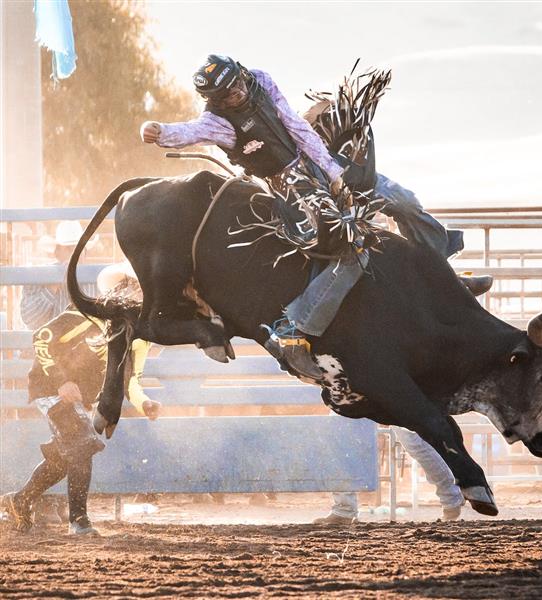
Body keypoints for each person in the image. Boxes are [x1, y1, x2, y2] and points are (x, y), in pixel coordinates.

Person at [140, 55, 491, 380]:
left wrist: (332, 169)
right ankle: (295, 327)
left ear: (243, 75)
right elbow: (187, 132)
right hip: (290, 190)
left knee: (405, 201)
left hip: (319, 162)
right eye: (228, 95)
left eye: (238, 85)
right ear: (215, 101)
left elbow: (295, 125)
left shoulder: (261, 80)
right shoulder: (217, 123)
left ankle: (441, 275)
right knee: (351, 251)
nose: (237, 94)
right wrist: (160, 132)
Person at [1, 263, 161, 535]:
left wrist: (144, 402)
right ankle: (79, 520)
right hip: (51, 388)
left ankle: (21, 499)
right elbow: (42, 337)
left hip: (72, 397)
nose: (131, 291)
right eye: (128, 285)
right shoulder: (91, 314)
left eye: (135, 287)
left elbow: (130, 379)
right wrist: (61, 380)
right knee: (82, 444)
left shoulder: (136, 336)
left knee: (65, 457)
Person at [314, 427, 465, 526]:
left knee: (413, 442)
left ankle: (451, 496)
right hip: (359, 383)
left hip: (393, 383)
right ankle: (344, 509)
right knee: (337, 431)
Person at [20, 220, 95, 330]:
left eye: (81, 248)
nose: (77, 254)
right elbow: (29, 319)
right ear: (57, 252)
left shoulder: (95, 278)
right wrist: (52, 286)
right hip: (50, 344)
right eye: (70, 249)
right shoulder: (39, 278)